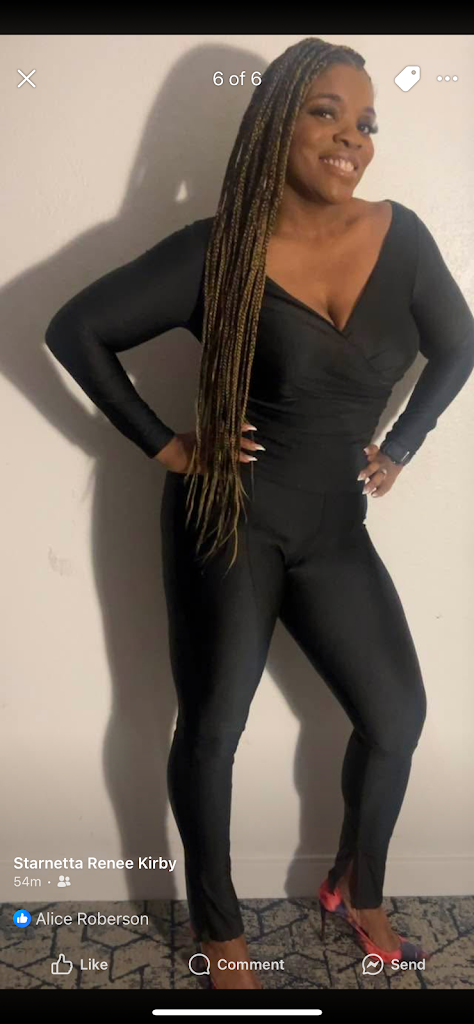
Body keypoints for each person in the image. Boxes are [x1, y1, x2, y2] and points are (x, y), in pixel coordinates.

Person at [45, 37, 474, 990]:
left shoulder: (401, 237)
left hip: (333, 528)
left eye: (367, 121)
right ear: (277, 122)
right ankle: (223, 934)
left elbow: (460, 343)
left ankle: (357, 886)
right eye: (327, 112)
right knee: (212, 732)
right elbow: (75, 329)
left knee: (396, 718)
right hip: (228, 523)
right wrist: (169, 446)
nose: (353, 138)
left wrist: (402, 445)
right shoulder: (218, 251)